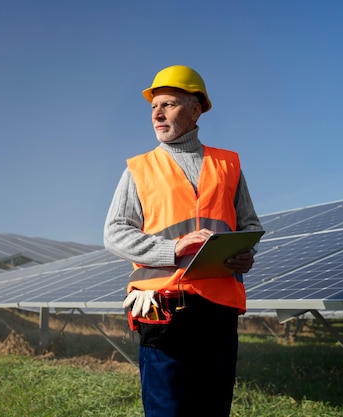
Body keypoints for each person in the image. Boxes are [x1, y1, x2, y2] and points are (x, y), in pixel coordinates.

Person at [103, 64, 262, 417]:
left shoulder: (228, 165)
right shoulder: (139, 168)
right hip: (162, 306)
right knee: (167, 409)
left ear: (195, 109)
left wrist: (244, 254)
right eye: (153, 107)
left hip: (219, 310)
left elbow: (248, 225)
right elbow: (114, 233)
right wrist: (172, 248)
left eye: (169, 105)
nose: (157, 114)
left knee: (213, 407)